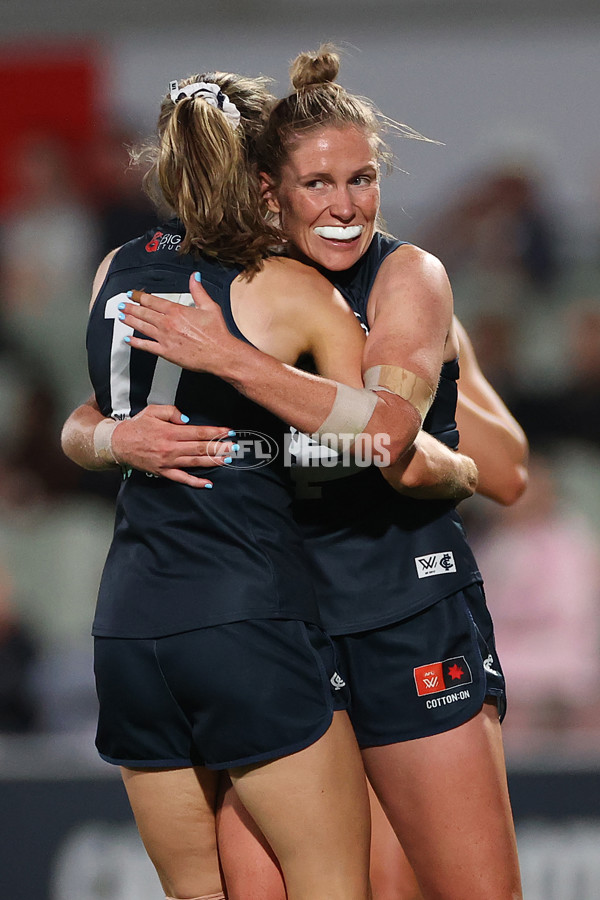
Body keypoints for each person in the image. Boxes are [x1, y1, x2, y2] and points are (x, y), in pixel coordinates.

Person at [63, 47, 524, 900]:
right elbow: (94, 414)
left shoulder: (404, 275)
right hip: (280, 622)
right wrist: (113, 441)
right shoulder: (240, 282)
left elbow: (415, 449)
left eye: (363, 180)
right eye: (319, 185)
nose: (346, 207)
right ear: (268, 189)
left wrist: (240, 364)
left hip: (397, 611)